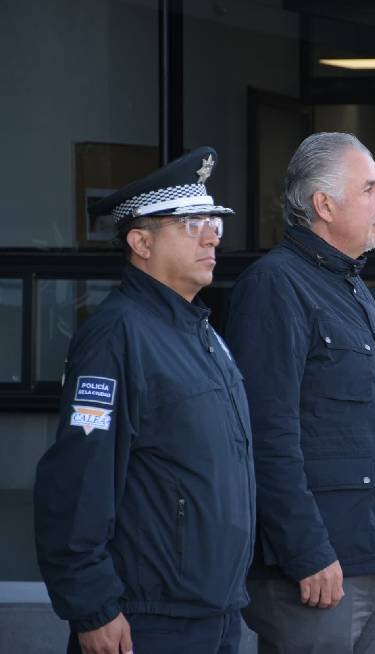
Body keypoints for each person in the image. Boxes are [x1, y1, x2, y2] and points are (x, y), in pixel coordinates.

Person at [34, 147, 255, 654]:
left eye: (214, 223)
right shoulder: (118, 336)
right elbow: (76, 480)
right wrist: (92, 606)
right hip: (148, 618)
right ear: (141, 242)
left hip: (214, 611)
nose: (212, 236)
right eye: (191, 223)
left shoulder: (200, 330)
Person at [225, 132, 375, 654]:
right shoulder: (276, 285)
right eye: (370, 189)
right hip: (320, 569)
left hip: (373, 559)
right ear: (323, 204)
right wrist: (306, 551)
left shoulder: (354, 287)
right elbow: (267, 433)